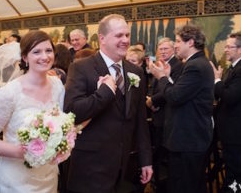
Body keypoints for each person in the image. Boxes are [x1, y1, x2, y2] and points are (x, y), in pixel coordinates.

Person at [64, 14, 152, 193]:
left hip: (124, 166)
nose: (125, 40)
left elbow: (140, 120)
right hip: (90, 166)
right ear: (102, 39)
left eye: (127, 35)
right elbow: (72, 112)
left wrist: (146, 160)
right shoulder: (81, 68)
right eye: (119, 36)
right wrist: (104, 93)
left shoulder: (135, 71)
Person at [0, 31, 65, 192]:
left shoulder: (58, 86)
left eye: (48, 50)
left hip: (48, 177)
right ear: (25, 57)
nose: (44, 56)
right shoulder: (8, 93)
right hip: (16, 181)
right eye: (36, 52)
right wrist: (23, 152)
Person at [149, 24, 214, 193]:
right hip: (189, 138)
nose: (175, 45)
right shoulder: (196, 63)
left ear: (190, 42)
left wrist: (162, 77)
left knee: (185, 185)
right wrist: (169, 79)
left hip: (188, 139)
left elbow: (174, 97)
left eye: (178, 41)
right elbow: (180, 93)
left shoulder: (195, 66)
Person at [146, 38, 183, 192]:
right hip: (158, 114)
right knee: (157, 151)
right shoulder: (159, 64)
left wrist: (152, 101)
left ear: (174, 49)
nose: (162, 51)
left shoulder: (178, 66)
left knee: (163, 155)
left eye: (166, 49)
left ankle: (163, 185)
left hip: (167, 116)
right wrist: (150, 99)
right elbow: (154, 86)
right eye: (160, 49)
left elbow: (170, 90)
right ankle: (157, 183)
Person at [211, 32, 241, 191]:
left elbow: (229, 96)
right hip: (230, 133)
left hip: (236, 133)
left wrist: (217, 80)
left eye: (230, 46)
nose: (226, 49)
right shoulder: (233, 68)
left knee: (235, 174)